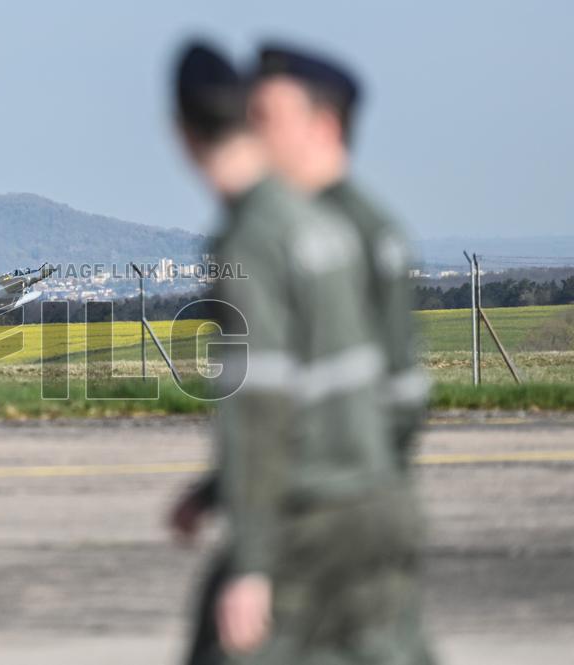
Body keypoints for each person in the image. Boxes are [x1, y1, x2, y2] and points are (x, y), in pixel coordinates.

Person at [172, 42, 430, 665]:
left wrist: (256, 556)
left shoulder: (274, 232)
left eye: (266, 116)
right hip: (366, 503)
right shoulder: (317, 224)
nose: (254, 132)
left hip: (313, 511)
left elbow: (263, 399)